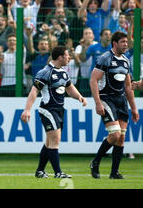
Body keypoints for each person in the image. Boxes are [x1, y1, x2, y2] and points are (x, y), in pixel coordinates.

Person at [21, 46, 87, 179]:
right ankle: (58, 172)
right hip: (48, 109)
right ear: (60, 57)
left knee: (49, 142)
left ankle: (40, 171)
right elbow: (34, 91)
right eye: (67, 55)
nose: (69, 58)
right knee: (55, 140)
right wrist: (27, 109)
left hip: (59, 110)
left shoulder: (63, 72)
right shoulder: (45, 72)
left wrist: (79, 96)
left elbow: (69, 88)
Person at [89, 31, 139, 179]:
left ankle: (114, 173)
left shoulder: (125, 61)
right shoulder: (105, 58)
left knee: (121, 137)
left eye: (126, 42)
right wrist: (98, 103)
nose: (126, 45)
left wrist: (134, 108)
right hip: (107, 99)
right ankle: (95, 161)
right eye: (123, 42)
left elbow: (128, 87)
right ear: (115, 43)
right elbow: (93, 80)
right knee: (115, 134)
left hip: (121, 101)